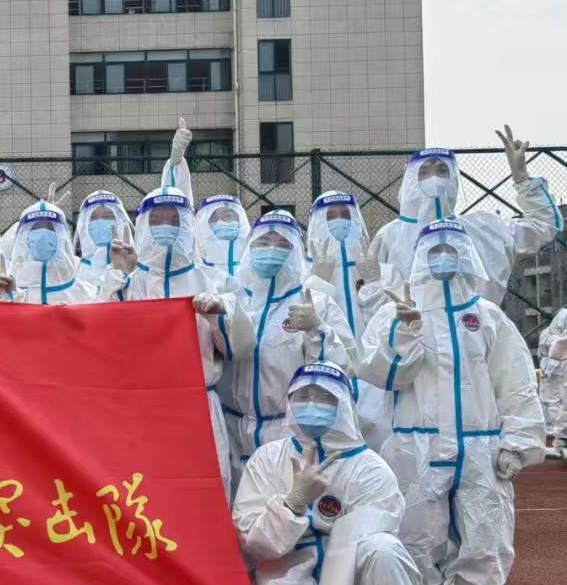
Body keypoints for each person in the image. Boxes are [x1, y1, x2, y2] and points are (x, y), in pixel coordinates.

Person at [359, 221, 545, 585]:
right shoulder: (393, 313)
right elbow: (383, 376)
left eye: (451, 248)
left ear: (466, 255)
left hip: (480, 448)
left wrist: (518, 441)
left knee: (486, 542)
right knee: (417, 542)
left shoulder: (487, 316)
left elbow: (516, 382)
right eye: (434, 249)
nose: (443, 256)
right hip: (416, 447)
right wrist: (405, 333)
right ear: (419, 258)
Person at [232, 362, 439, 585]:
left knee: (385, 553)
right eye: (303, 396)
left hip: (355, 578)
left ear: (344, 404)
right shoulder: (268, 459)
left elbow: (345, 552)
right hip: (290, 571)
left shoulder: (370, 470)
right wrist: (293, 502)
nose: (312, 404)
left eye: (324, 397)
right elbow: (254, 544)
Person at [97, 186, 251, 494]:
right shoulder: (129, 283)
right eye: (157, 220)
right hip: (140, 408)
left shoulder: (215, 281)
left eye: (173, 219)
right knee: (144, 491)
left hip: (198, 405)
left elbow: (239, 350)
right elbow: (101, 339)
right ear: (143, 225)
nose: (165, 226)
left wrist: (218, 316)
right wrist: (116, 278)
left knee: (205, 488)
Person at [218, 211, 354, 485]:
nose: (271, 250)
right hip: (231, 428)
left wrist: (317, 330)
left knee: (283, 498)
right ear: (250, 247)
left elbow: (343, 367)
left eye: (282, 244)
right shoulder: (230, 297)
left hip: (286, 430)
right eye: (263, 242)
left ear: (296, 252)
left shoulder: (316, 303)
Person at [369, 130, 559, 307]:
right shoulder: (390, 236)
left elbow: (543, 226)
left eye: (442, 171)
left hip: (479, 328)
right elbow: (373, 294)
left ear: (454, 179)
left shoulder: (484, 228)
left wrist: (523, 179)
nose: (434, 179)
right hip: (412, 331)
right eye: (424, 172)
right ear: (411, 181)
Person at [304, 191, 396, 449]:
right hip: (326, 379)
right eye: (330, 216)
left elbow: (388, 325)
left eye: (346, 215)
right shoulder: (302, 273)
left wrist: (374, 283)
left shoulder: (380, 270)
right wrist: (317, 283)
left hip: (373, 382)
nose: (340, 222)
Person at [5, 200, 97, 305]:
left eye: (50, 227)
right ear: (24, 236)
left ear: (61, 236)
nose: (43, 234)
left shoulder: (81, 290)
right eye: (35, 227)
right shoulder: (10, 287)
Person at [73, 190, 133, 293]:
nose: (99, 221)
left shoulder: (136, 263)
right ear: (83, 224)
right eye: (92, 217)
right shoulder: (75, 268)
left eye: (108, 216)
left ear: (120, 221)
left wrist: (123, 271)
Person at [194, 194, 252, 282]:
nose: (221, 222)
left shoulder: (252, 248)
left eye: (227, 216)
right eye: (214, 219)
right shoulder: (198, 249)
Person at [538, 306, 567, 451]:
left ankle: (558, 439)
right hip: (554, 368)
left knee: (555, 403)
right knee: (552, 403)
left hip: (555, 367)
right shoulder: (551, 332)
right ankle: (556, 440)